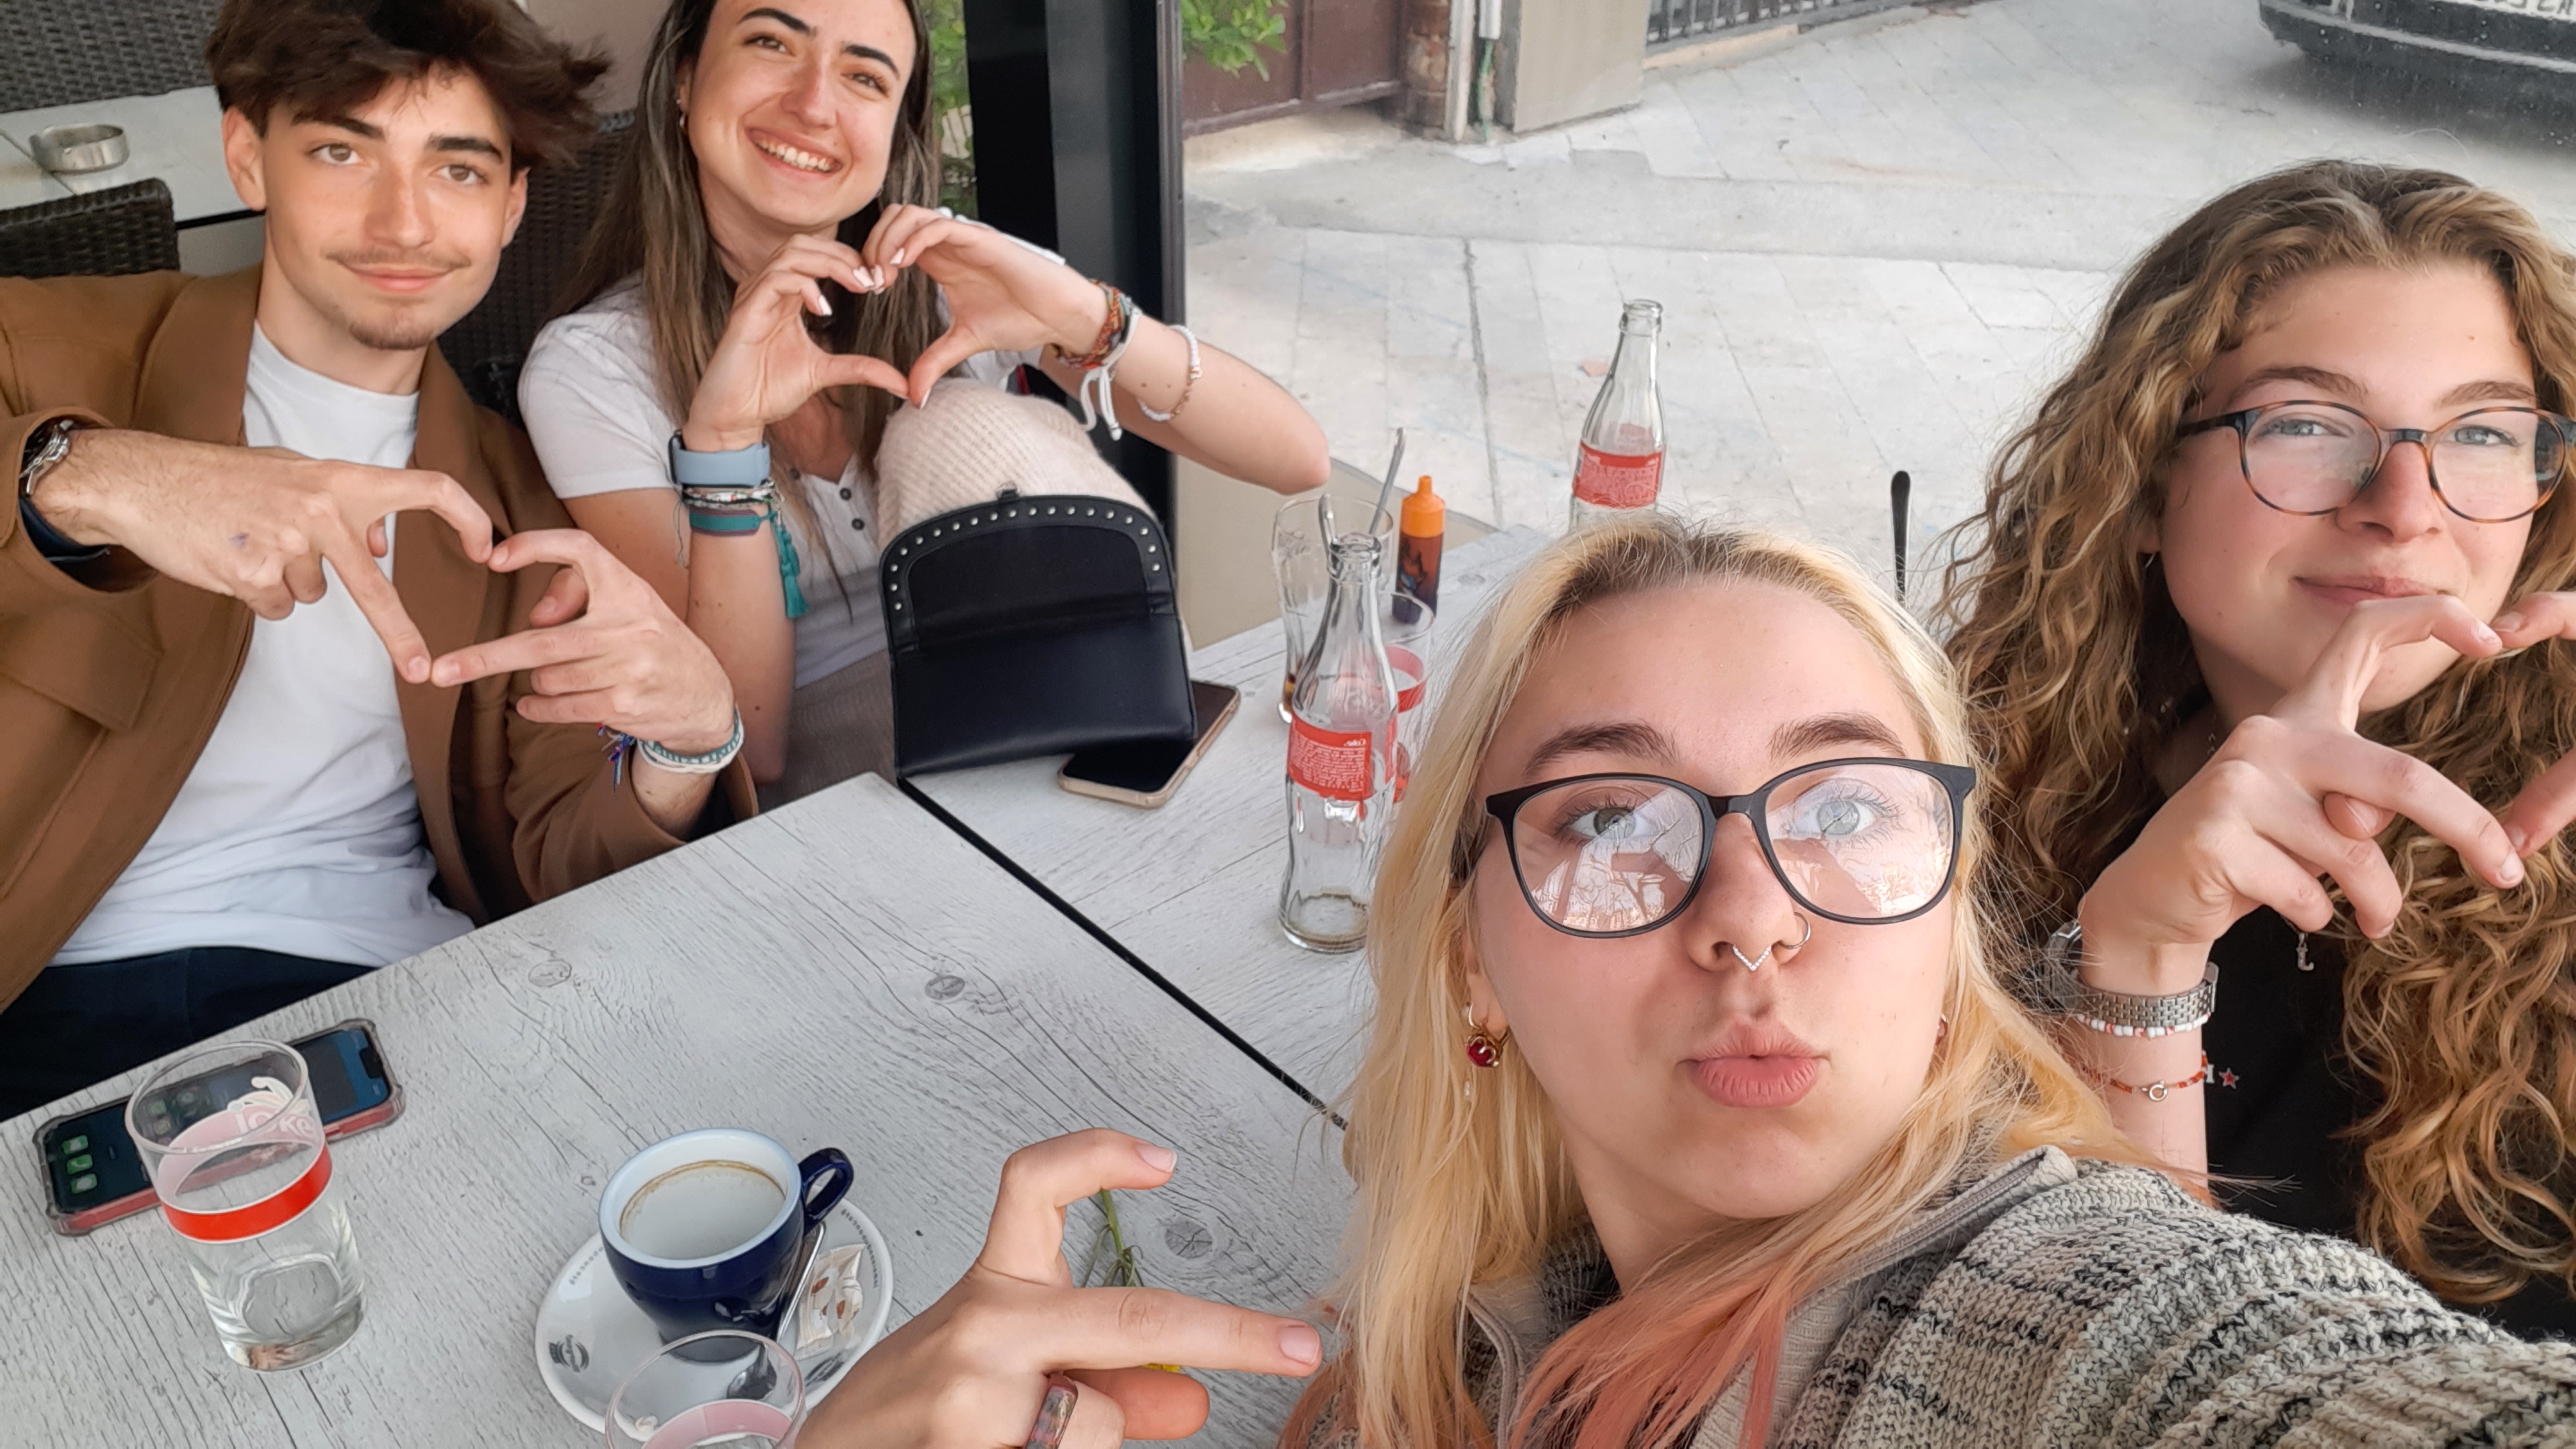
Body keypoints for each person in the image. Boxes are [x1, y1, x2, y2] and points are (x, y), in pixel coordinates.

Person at [792, 519, 2576, 1449]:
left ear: (1951, 927)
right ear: (1472, 960)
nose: (1749, 920)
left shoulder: (2056, 1307)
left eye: (1847, 806)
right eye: (1609, 822)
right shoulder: (1474, 1338)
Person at [0, 0, 748, 1117]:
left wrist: (687, 739)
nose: (404, 222)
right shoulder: (41, 343)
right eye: (344, 153)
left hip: (379, 993)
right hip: (45, 985)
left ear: (511, 206)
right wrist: (88, 476)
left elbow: (563, 861)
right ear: (248, 156)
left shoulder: (516, 497)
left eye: (457, 169)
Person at [1940, 160, 2576, 1335]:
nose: (2405, 506)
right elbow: (2108, 1372)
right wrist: (2137, 966)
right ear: (2140, 487)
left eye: (2483, 432)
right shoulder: (1950, 826)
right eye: (2305, 426)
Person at [518, 0, 1331, 802]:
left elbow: (1295, 459)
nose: (815, 104)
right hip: (843, 790)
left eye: (866, 78)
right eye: (772, 43)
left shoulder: (951, 278)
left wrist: (1086, 316)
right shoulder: (591, 368)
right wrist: (725, 439)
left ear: (896, 134)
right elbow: (750, 744)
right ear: (685, 79)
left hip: (1080, 724)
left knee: (952, 418)